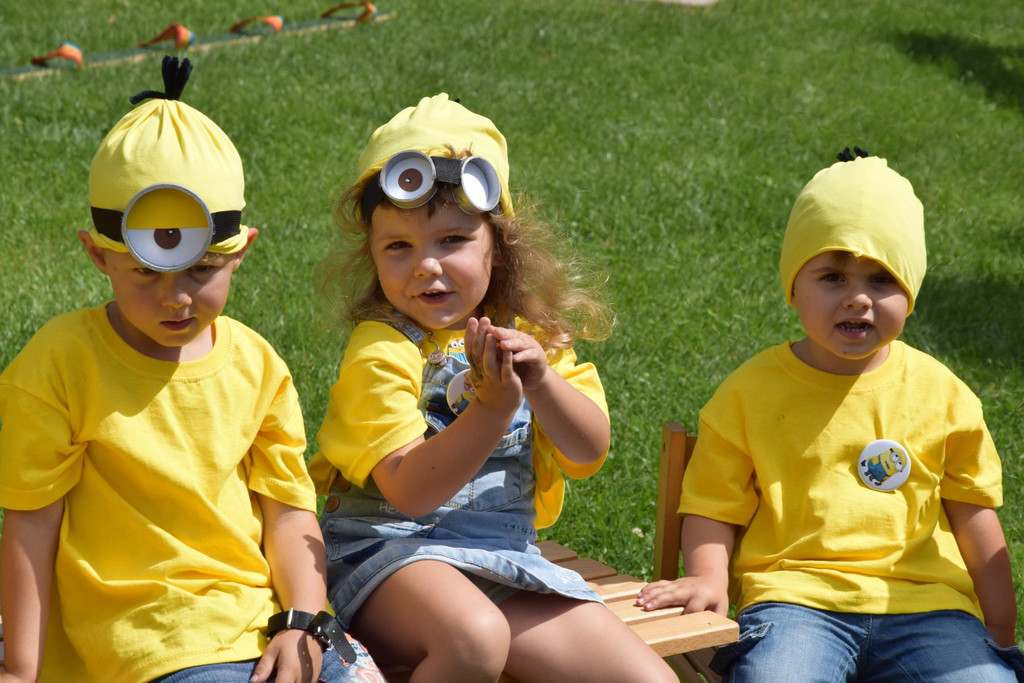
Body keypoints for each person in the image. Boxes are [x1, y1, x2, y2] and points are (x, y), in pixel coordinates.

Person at [0, 57, 379, 683]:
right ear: (97, 255)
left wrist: (304, 623)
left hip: (267, 625)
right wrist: (19, 669)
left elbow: (288, 515)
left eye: (201, 271)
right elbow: (31, 525)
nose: (176, 298)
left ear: (241, 251)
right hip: (148, 644)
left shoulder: (258, 365)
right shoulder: (60, 364)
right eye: (146, 273)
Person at [308, 93, 677, 682]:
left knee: (649, 680)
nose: (426, 265)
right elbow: (409, 492)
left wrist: (542, 381)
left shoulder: (533, 338)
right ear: (372, 254)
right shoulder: (383, 345)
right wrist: (493, 408)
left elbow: (588, 452)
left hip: (502, 558)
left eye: (452, 240)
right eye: (399, 246)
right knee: (476, 637)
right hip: (387, 555)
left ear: (498, 246)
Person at [637, 149, 1024, 681]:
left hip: (929, 607)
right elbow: (712, 504)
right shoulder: (750, 392)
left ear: (910, 293)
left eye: (882, 280)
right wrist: (708, 577)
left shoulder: (943, 394)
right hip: (795, 602)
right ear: (794, 286)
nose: (857, 299)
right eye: (833, 277)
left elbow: (973, 515)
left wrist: (999, 630)